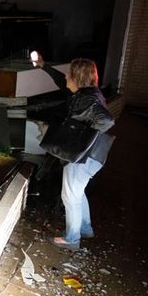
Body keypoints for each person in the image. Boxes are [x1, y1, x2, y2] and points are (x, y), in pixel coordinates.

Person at [33, 52, 114, 251]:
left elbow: (107, 120)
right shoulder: (86, 94)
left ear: (77, 78)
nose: (66, 76)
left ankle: (72, 239)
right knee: (78, 193)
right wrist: (43, 66)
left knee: (70, 196)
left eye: (69, 73)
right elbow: (62, 82)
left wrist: (82, 135)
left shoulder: (87, 101)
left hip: (83, 157)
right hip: (93, 156)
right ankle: (85, 228)